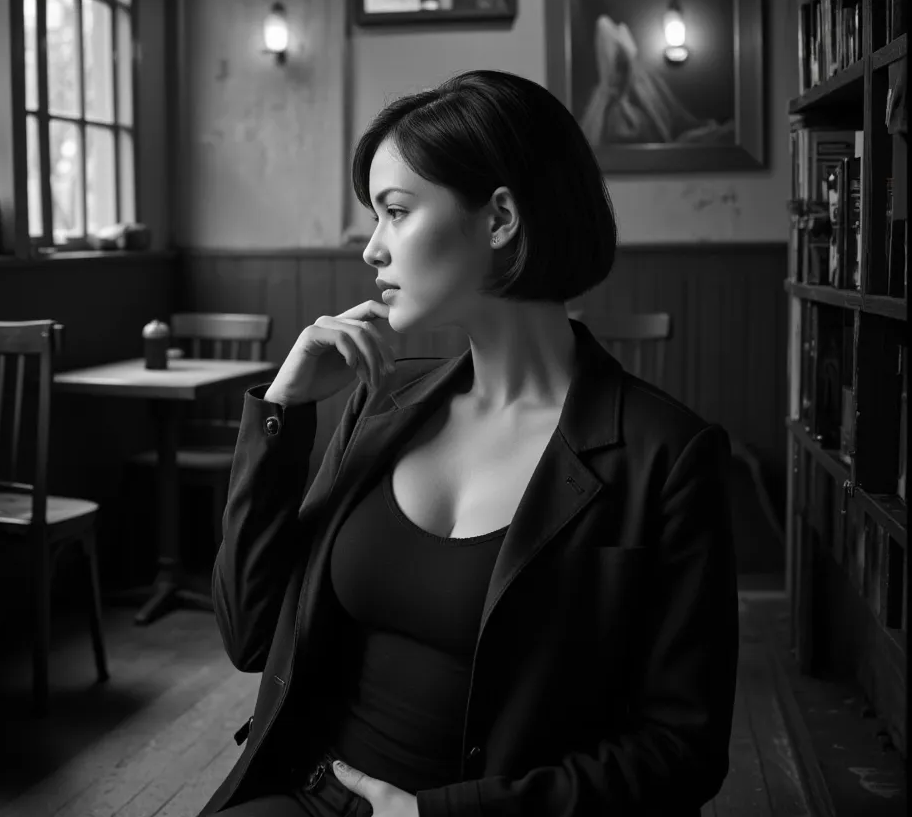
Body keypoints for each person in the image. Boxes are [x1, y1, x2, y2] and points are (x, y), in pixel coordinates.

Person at [201, 70, 739, 817]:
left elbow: (683, 750)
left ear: (499, 219)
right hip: (307, 797)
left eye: (394, 212)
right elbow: (250, 635)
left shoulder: (666, 456)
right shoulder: (381, 404)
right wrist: (282, 411)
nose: (371, 251)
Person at [577, 0, 735, 147]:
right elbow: (609, 77)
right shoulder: (603, 25)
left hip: (642, 90)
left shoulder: (619, 27)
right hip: (628, 98)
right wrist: (623, 106)